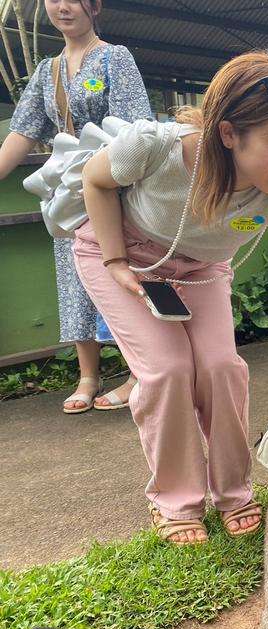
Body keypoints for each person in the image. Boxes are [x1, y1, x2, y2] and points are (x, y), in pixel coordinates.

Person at [70, 51, 268, 545]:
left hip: (200, 271)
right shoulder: (156, 147)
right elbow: (95, 180)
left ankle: (234, 493)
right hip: (124, 255)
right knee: (168, 369)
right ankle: (176, 501)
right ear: (229, 133)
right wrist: (114, 262)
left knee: (221, 367)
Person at [0, 0, 149, 413]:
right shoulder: (47, 71)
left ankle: (141, 372)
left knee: (123, 274)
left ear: (95, 6)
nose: (63, 7)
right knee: (75, 279)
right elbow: (23, 131)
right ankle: (89, 374)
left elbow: (136, 125)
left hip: (111, 187)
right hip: (66, 194)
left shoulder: (114, 58)